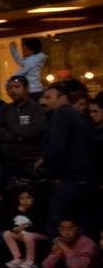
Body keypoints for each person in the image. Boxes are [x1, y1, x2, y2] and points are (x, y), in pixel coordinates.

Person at [38, 83, 94, 237]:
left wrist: (53, 175)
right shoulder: (77, 116)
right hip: (83, 178)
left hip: (67, 179)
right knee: (82, 223)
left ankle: (60, 259)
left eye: (49, 97)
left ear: (62, 98)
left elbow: (57, 148)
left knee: (57, 225)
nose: (45, 101)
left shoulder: (61, 114)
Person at [0, 75, 46, 186]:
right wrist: (15, 137)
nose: (13, 90)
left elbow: (36, 129)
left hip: (31, 163)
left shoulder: (36, 108)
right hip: (8, 164)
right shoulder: (4, 109)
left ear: (26, 89)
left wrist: (10, 127)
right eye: (10, 88)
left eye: (17, 87)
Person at [27, 219, 98, 268]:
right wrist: (57, 253)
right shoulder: (62, 241)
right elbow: (47, 267)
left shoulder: (87, 243)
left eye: (70, 229)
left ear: (79, 230)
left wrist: (65, 248)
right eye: (62, 229)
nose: (66, 233)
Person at [1, 188, 47, 268]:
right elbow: (11, 223)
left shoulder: (38, 210)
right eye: (22, 198)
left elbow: (37, 225)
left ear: (33, 199)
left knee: (27, 235)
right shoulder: (16, 210)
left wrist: (23, 227)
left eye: (28, 198)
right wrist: (14, 229)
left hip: (38, 234)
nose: (25, 201)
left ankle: (30, 260)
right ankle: (17, 258)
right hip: (22, 234)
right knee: (7, 233)